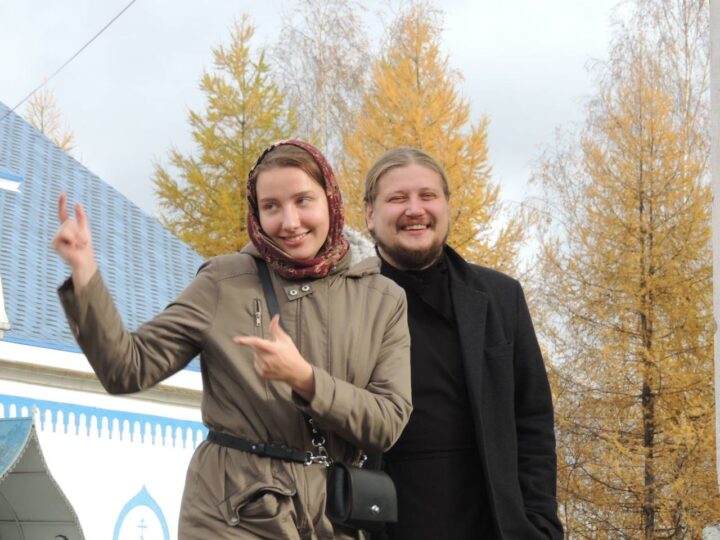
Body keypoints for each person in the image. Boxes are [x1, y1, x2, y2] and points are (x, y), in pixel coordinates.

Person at [53, 139, 412, 539]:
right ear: (256, 213)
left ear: (330, 200)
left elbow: (387, 423)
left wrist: (306, 379)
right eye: (271, 206)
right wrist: (84, 273)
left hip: (332, 520)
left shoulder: (382, 298)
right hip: (231, 512)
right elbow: (127, 369)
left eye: (302, 201)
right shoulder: (224, 282)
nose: (289, 221)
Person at [363, 147, 563, 539]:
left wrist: (541, 525)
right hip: (385, 524)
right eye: (398, 198)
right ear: (370, 214)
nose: (415, 210)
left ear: (447, 206)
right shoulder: (345, 304)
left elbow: (533, 421)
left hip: (490, 525)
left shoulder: (501, 297)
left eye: (427, 195)